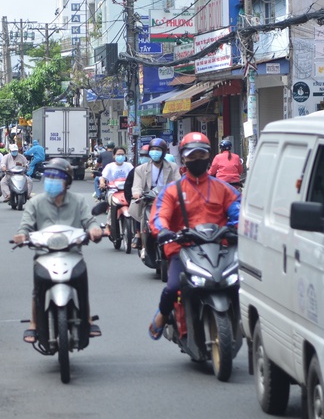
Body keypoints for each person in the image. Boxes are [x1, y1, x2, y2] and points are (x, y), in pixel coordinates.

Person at [147, 132, 240, 340]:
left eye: (202, 155)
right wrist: (163, 231)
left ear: (209, 157)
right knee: (172, 288)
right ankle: (163, 314)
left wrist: (239, 228)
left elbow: (239, 213)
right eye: (192, 156)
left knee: (243, 284)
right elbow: (159, 216)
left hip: (220, 249)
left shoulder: (224, 189)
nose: (197, 160)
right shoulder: (172, 191)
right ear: (183, 159)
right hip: (183, 250)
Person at [12, 158, 103, 343]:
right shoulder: (35, 202)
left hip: (73, 254)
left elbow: (89, 221)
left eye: (57, 177)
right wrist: (22, 236)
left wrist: (95, 230)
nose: (51, 180)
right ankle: (34, 324)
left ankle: (86, 318)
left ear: (67, 181)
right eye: (49, 176)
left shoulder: (78, 201)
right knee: (38, 288)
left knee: (81, 283)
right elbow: (25, 226)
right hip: (45, 254)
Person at [130, 138, 181, 250]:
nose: (155, 152)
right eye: (152, 149)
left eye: (158, 149)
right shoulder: (140, 169)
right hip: (148, 199)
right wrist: (137, 193)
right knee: (144, 219)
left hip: (167, 199)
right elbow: (137, 185)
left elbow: (178, 183)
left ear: (163, 152)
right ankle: (143, 243)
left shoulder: (173, 167)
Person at [99, 146, 133, 234]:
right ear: (114, 156)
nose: (120, 156)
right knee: (112, 206)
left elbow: (135, 176)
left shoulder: (129, 166)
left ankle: (137, 230)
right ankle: (108, 225)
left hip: (127, 192)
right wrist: (102, 183)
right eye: (118, 154)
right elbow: (103, 177)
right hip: (113, 191)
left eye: (122, 154)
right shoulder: (109, 166)